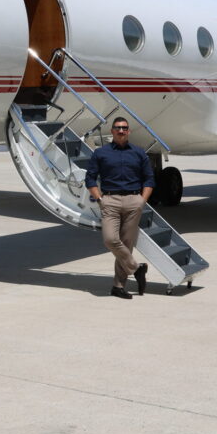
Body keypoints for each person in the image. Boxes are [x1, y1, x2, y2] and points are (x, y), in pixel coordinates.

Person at [84, 117, 155, 299]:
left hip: (134, 201)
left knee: (126, 244)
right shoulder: (101, 153)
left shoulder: (139, 153)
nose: (121, 131)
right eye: (117, 128)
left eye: (124, 128)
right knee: (110, 239)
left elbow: (149, 179)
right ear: (112, 131)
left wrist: (142, 201)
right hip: (110, 200)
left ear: (129, 131)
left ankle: (118, 286)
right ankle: (137, 269)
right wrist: (100, 199)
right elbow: (90, 179)